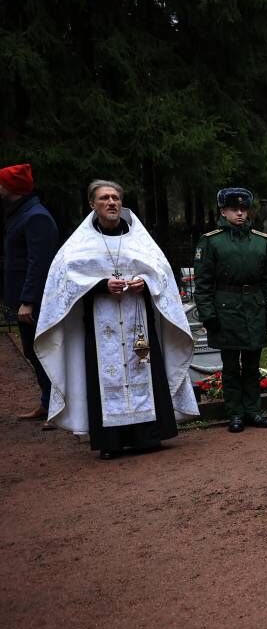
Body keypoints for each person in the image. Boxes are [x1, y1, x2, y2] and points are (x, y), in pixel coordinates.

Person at [35, 180, 198, 459]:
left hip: (138, 319)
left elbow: (160, 275)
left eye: (115, 198)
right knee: (104, 377)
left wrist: (144, 283)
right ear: (92, 205)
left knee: (143, 368)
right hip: (100, 324)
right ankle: (111, 442)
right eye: (104, 198)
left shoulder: (139, 240)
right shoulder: (78, 246)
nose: (111, 203)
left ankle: (147, 437)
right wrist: (100, 285)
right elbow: (66, 282)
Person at [193, 187, 267, 432]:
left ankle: (253, 410)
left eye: (243, 209)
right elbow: (203, 282)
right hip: (226, 307)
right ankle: (235, 413)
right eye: (234, 209)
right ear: (223, 211)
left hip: (254, 306)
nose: (240, 213)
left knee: (252, 363)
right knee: (230, 366)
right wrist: (208, 313)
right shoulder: (211, 240)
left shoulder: (260, 240)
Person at [1, 163, 59, 423]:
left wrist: (28, 300)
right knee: (32, 351)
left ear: (12, 188)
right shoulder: (20, 214)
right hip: (25, 299)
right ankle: (48, 402)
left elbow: (40, 262)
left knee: (43, 351)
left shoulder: (36, 216)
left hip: (35, 302)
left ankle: (58, 407)